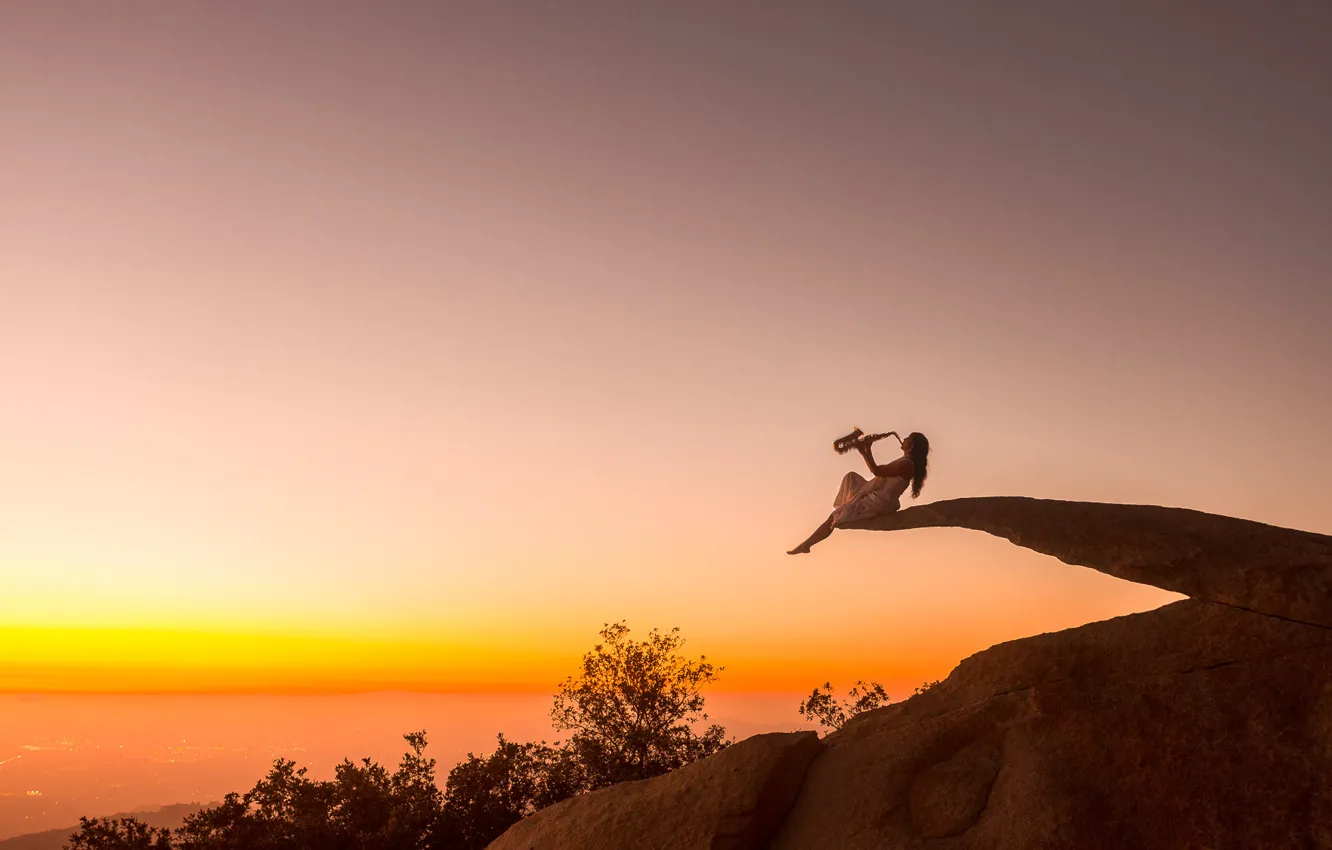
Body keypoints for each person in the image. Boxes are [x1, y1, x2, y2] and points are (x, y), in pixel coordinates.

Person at [787, 431, 930, 554]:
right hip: (880, 496)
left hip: (879, 500)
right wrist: (867, 449)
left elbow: (876, 471)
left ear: (911, 447)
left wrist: (863, 451)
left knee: (835, 516)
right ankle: (808, 543)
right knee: (851, 478)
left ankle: (807, 545)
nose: (903, 439)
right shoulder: (905, 462)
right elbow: (879, 470)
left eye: (907, 438)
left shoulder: (906, 464)